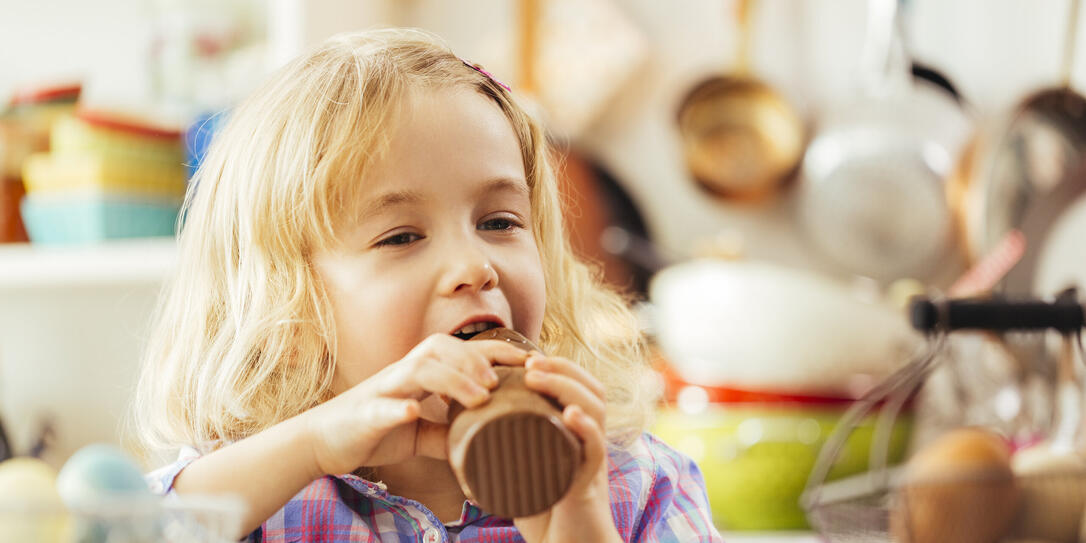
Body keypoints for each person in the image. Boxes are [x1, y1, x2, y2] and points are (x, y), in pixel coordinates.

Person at [133, 28, 721, 542]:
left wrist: (581, 527)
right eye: (401, 237)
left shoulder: (637, 486)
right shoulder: (261, 499)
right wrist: (312, 444)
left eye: (499, 222)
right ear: (287, 312)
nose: (476, 265)